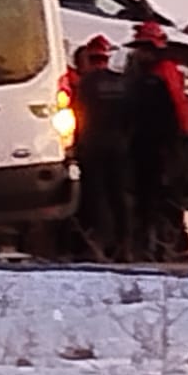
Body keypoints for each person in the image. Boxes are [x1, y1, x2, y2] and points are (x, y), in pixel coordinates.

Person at [123, 21, 188, 261]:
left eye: (144, 47)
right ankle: (153, 244)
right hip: (145, 144)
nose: (139, 53)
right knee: (148, 196)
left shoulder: (163, 72)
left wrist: (180, 137)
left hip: (162, 146)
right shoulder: (143, 75)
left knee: (163, 196)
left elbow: (179, 105)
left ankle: (165, 244)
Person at [70, 34, 130, 260]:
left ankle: (98, 245)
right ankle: (125, 244)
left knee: (96, 196)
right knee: (119, 196)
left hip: (93, 146)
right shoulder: (122, 83)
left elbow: (77, 116)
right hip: (120, 147)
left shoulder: (85, 85)